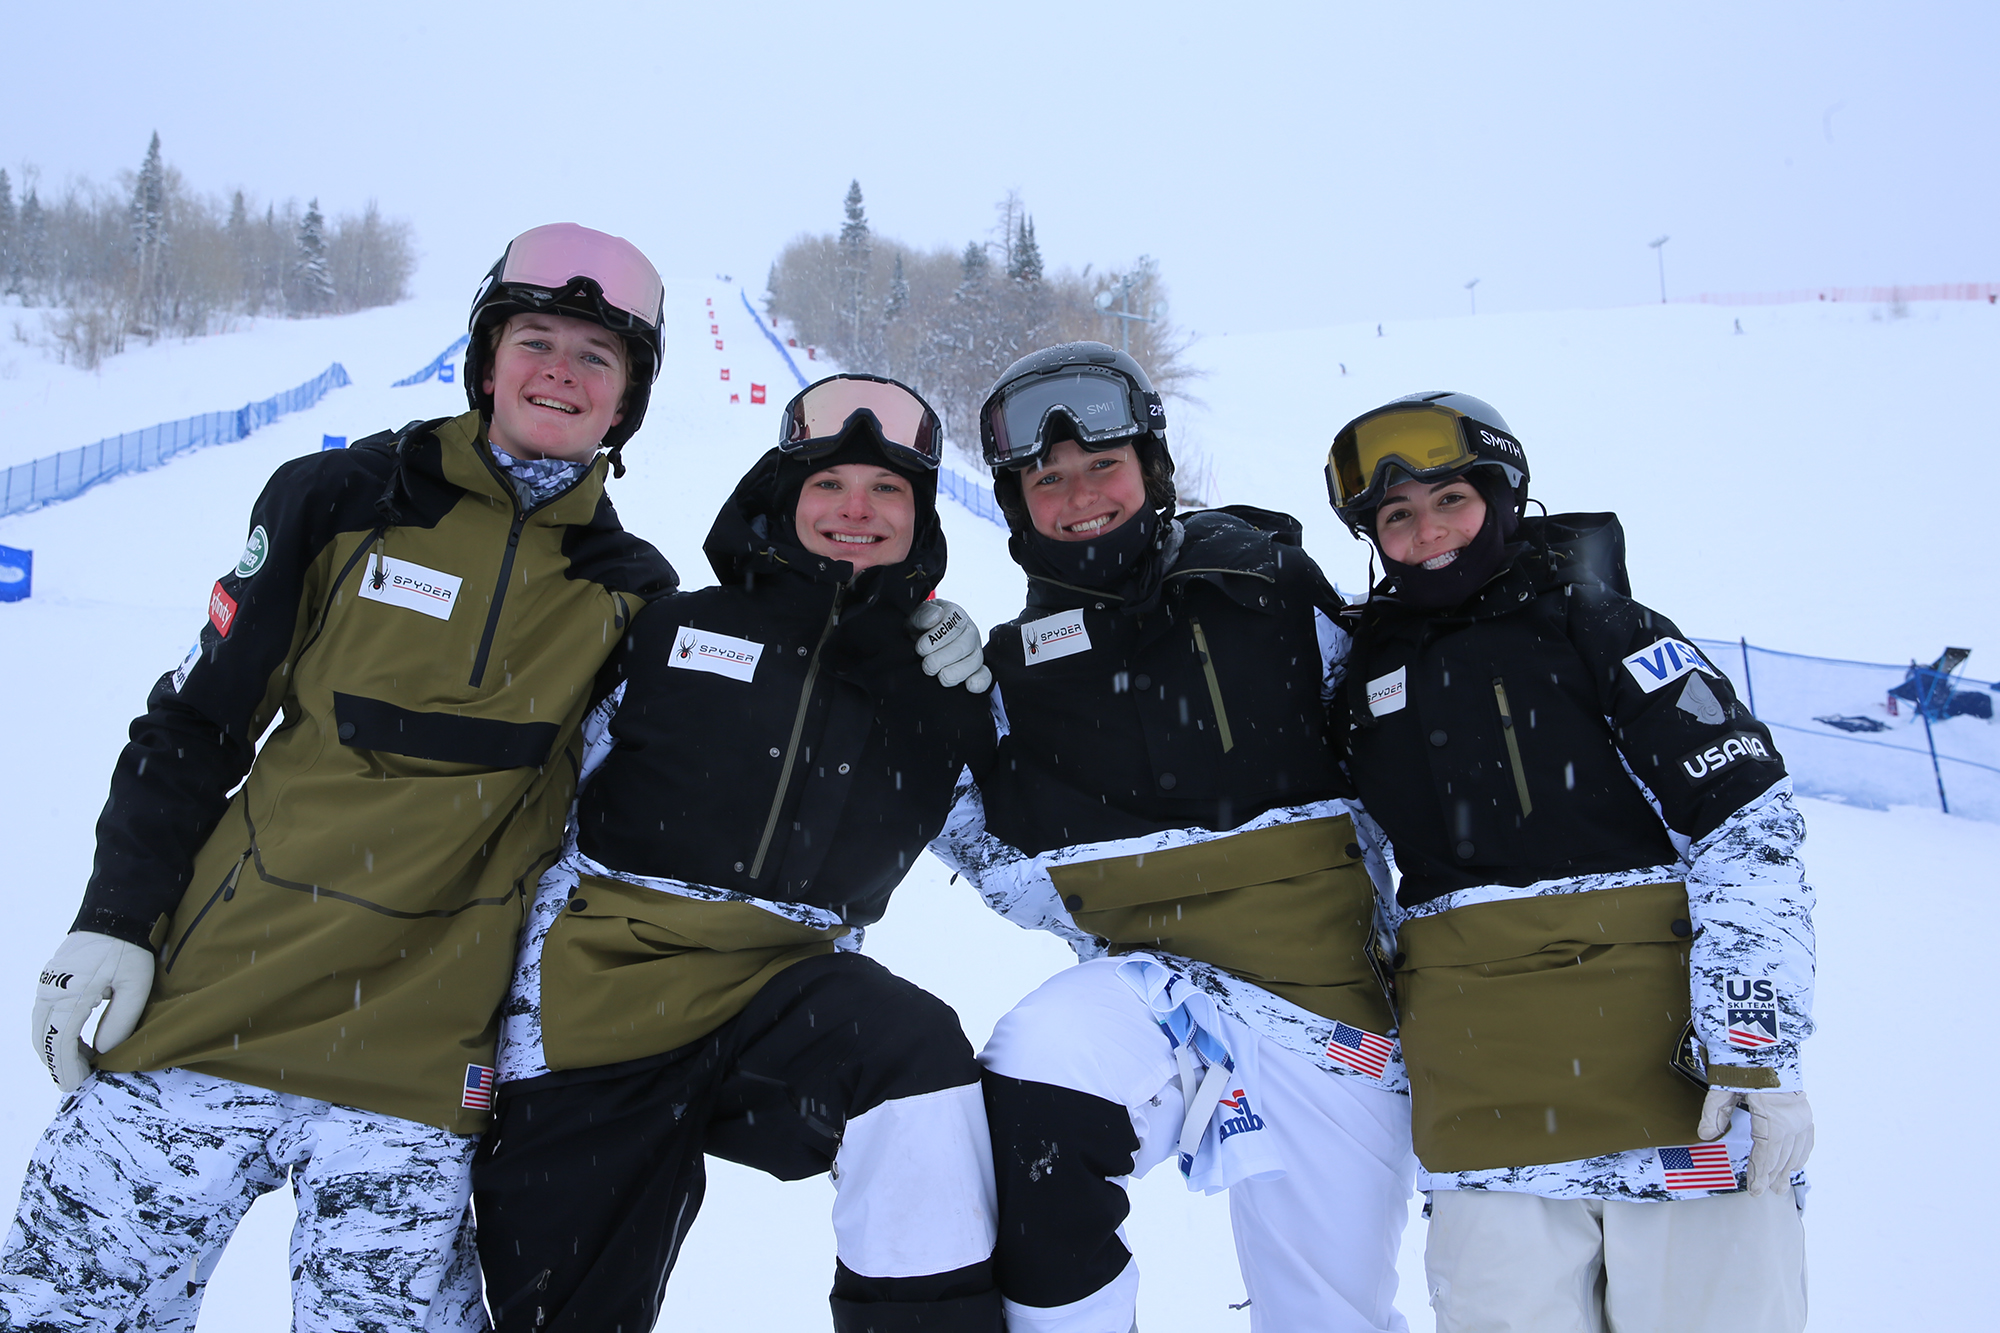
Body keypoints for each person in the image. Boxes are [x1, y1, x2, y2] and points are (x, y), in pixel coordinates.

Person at [4, 223, 680, 1331]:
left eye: (596, 356)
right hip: (205, 1008)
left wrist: (906, 628)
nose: (559, 370)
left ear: (627, 402)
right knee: (64, 1312)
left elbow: (650, 811)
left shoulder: (630, 593)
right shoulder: (342, 497)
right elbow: (195, 725)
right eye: (535, 338)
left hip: (420, 1060)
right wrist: (112, 916)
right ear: (485, 358)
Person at [473, 374, 1003, 1333]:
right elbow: (536, 802)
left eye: (888, 491)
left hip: (781, 992)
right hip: (602, 998)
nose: (857, 509)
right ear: (782, 497)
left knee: (915, 1057)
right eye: (830, 485)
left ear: (919, 518)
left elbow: (1011, 852)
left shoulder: (937, 684)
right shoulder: (674, 628)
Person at [931, 342, 1416, 1333]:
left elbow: (1407, 746)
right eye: (1045, 480)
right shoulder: (1014, 669)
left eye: (1099, 467)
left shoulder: (1269, 588)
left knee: (1328, 1313)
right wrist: (913, 697)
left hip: (1329, 1018)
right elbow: (990, 846)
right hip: (1162, 1000)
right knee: (1033, 1080)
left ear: (1150, 468)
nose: (1076, 498)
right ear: (1017, 504)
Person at [1326, 391, 1814, 1333]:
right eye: (1396, 516)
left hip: (1679, 1109)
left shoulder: (1605, 629)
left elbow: (1748, 829)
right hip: (1485, 1124)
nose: (1426, 532)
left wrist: (1753, 1047)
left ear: (1504, 497)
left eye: (1450, 501)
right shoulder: (1360, 682)